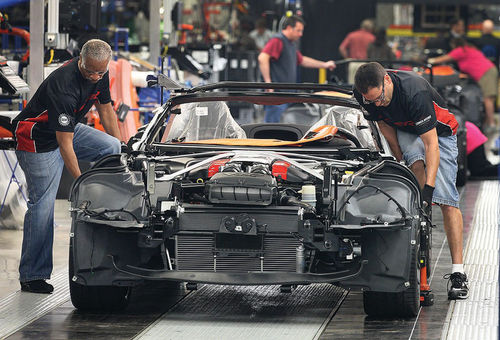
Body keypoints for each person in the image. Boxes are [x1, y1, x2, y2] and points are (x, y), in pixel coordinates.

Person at [12, 39, 122, 294]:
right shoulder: (64, 84)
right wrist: (81, 183)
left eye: (100, 72)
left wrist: (123, 146)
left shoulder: (99, 73)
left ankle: (110, 197)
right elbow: (65, 145)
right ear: (79, 60)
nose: (95, 76)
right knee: (43, 205)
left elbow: (106, 112)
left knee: (111, 148)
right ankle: (33, 275)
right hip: (38, 139)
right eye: (90, 71)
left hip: (66, 130)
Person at [353, 62, 469, 300]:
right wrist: (400, 160)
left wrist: (429, 188)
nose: (377, 104)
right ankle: (418, 237)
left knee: (447, 200)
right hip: (404, 128)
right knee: (414, 168)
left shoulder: (414, 91)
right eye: (371, 101)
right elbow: (383, 123)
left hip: (440, 133)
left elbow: (431, 145)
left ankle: (459, 272)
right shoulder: (364, 95)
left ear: (386, 80)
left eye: (380, 98)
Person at [258, 15, 336, 123]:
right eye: (298, 30)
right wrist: (268, 83)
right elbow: (262, 58)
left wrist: (324, 65)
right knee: (270, 128)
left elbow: (302, 60)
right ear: (289, 28)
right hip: (276, 95)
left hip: (285, 95)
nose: (301, 34)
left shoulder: (290, 44)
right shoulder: (277, 41)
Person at [428, 38, 498, 132]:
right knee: (488, 99)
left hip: (486, 73)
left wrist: (429, 60)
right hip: (488, 70)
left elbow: (441, 59)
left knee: (488, 99)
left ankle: (491, 124)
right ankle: (488, 123)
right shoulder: (469, 49)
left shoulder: (460, 50)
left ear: (454, 44)